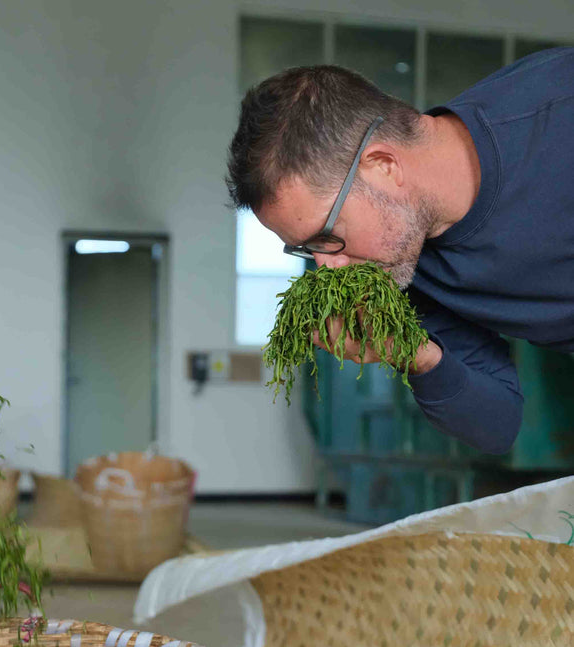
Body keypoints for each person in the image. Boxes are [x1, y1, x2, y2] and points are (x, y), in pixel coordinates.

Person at [226, 47, 574, 455]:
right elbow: (499, 426)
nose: (329, 267)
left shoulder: (556, 113)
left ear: (384, 166)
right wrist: (417, 356)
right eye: (308, 249)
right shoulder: (402, 264)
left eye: (328, 234)